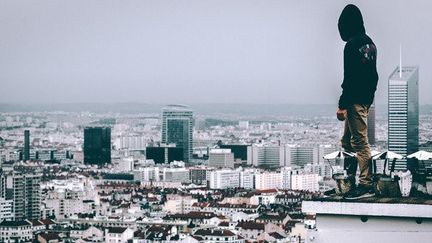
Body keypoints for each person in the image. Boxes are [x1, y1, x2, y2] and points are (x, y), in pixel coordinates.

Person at [336, 4, 378, 199]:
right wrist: (369, 98)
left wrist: (342, 104)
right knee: (347, 142)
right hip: (365, 99)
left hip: (354, 100)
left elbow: (349, 78)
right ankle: (349, 180)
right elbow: (373, 76)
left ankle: (366, 184)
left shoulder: (351, 46)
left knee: (359, 143)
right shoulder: (370, 44)